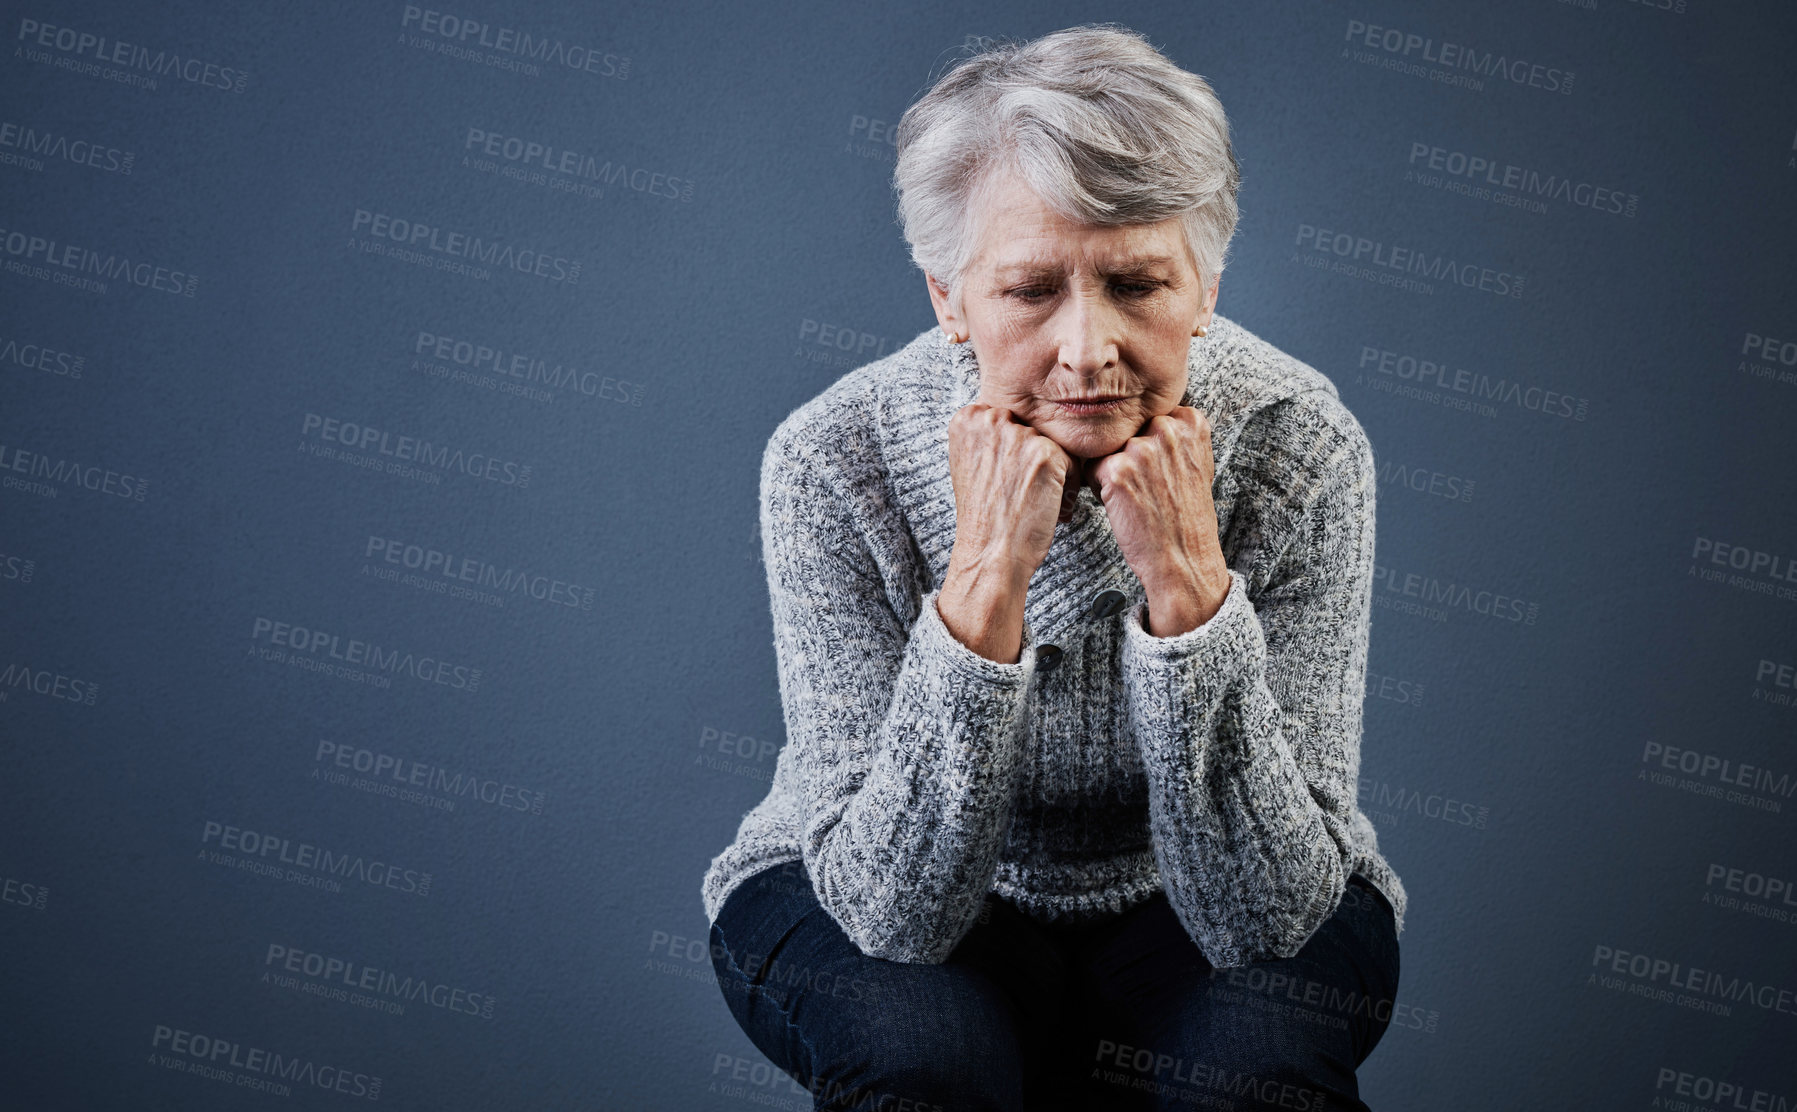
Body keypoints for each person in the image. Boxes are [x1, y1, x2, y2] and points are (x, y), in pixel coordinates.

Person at [701, 23, 1406, 1112]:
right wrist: (985, 579)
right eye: (1031, 290)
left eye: (1137, 283)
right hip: (860, 867)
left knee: (1253, 1075)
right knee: (925, 1064)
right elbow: (891, 913)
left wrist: (1188, 595)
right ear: (950, 298)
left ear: (1206, 285)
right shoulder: (833, 458)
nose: (1088, 348)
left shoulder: (1299, 444)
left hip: (1209, 884)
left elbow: (1265, 916)